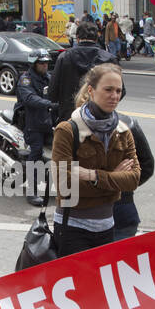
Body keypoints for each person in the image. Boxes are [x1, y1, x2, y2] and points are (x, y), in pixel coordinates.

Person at [50, 63, 140, 257]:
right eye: (108, 90)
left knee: (100, 287)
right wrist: (114, 179)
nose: (114, 96)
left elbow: (133, 179)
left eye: (118, 90)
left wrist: (92, 175)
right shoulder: (67, 130)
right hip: (72, 228)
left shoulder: (123, 132)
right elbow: (64, 185)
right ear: (91, 90)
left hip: (108, 227)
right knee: (79, 286)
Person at [50, 20, 116, 125]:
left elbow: (52, 91)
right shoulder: (109, 59)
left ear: (77, 38)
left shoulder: (64, 57)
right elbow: (120, 91)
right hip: (100, 119)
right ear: (96, 38)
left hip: (69, 118)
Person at [16, 52, 54, 206]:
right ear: (34, 64)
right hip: (31, 122)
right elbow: (29, 98)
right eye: (41, 63)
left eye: (46, 63)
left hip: (47, 120)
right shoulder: (26, 79)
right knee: (36, 151)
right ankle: (31, 191)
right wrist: (50, 104)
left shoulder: (49, 78)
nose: (45, 66)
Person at [112, 115, 154, 241]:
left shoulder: (127, 126)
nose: (114, 96)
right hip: (118, 212)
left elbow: (146, 166)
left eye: (117, 93)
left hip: (119, 213)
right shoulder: (70, 130)